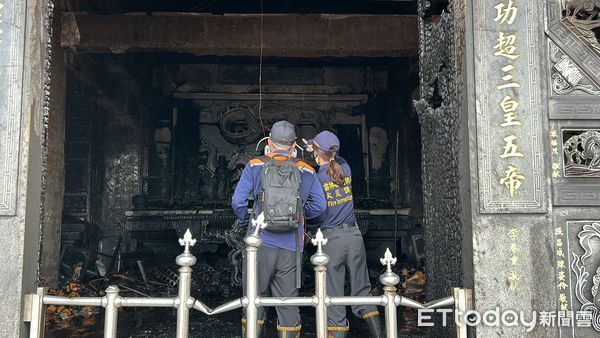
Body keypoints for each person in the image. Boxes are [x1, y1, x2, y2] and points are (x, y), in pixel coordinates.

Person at [232, 120, 327, 338]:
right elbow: (320, 207)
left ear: (269, 143)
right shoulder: (306, 170)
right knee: (287, 303)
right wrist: (300, 216)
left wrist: (244, 221)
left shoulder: (254, 165)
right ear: (295, 146)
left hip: (259, 243)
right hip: (291, 245)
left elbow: (237, 202)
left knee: (254, 300)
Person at [306, 131, 383, 338]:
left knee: (333, 296)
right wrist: (319, 150)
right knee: (363, 292)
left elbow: (317, 210)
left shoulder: (316, 177)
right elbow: (334, 158)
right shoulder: (345, 169)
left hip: (332, 240)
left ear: (316, 151)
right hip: (355, 237)